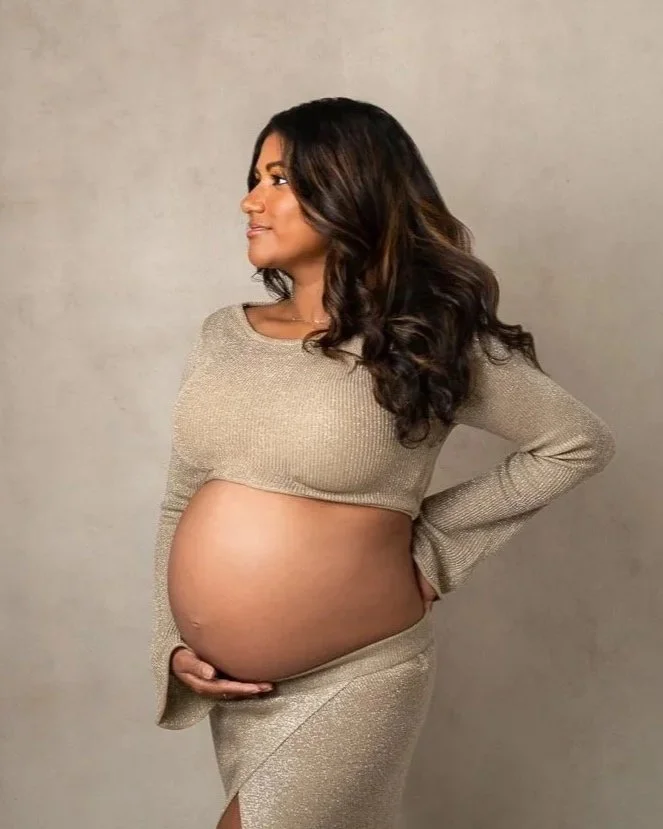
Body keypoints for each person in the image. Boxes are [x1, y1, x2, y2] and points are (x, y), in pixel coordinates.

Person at [150, 97, 616, 829]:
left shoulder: (421, 336)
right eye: (255, 177)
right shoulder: (221, 335)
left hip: (358, 677)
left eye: (278, 179)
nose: (250, 199)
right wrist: (171, 640)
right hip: (239, 696)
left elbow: (573, 440)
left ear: (347, 191)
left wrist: (431, 549)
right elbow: (183, 497)